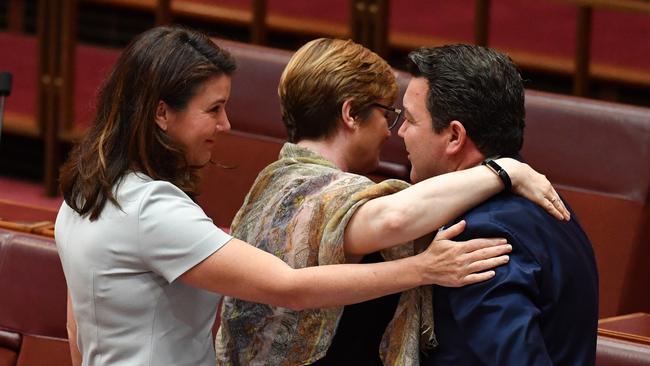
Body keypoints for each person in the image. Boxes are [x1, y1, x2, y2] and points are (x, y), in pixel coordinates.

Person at [53, 26, 539, 366]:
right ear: (162, 114)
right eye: (214, 109)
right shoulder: (150, 210)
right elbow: (288, 285)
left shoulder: (85, 196)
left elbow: (79, 331)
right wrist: (502, 173)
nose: (225, 125)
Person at [215, 38, 569, 366]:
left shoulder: (271, 181)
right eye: (388, 114)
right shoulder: (325, 194)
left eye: (404, 118)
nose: (392, 131)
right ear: (351, 114)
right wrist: (506, 170)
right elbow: (395, 218)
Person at [396, 45, 599, 365]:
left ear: (454, 137)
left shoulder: (479, 234)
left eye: (409, 119)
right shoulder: (554, 207)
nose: (401, 132)